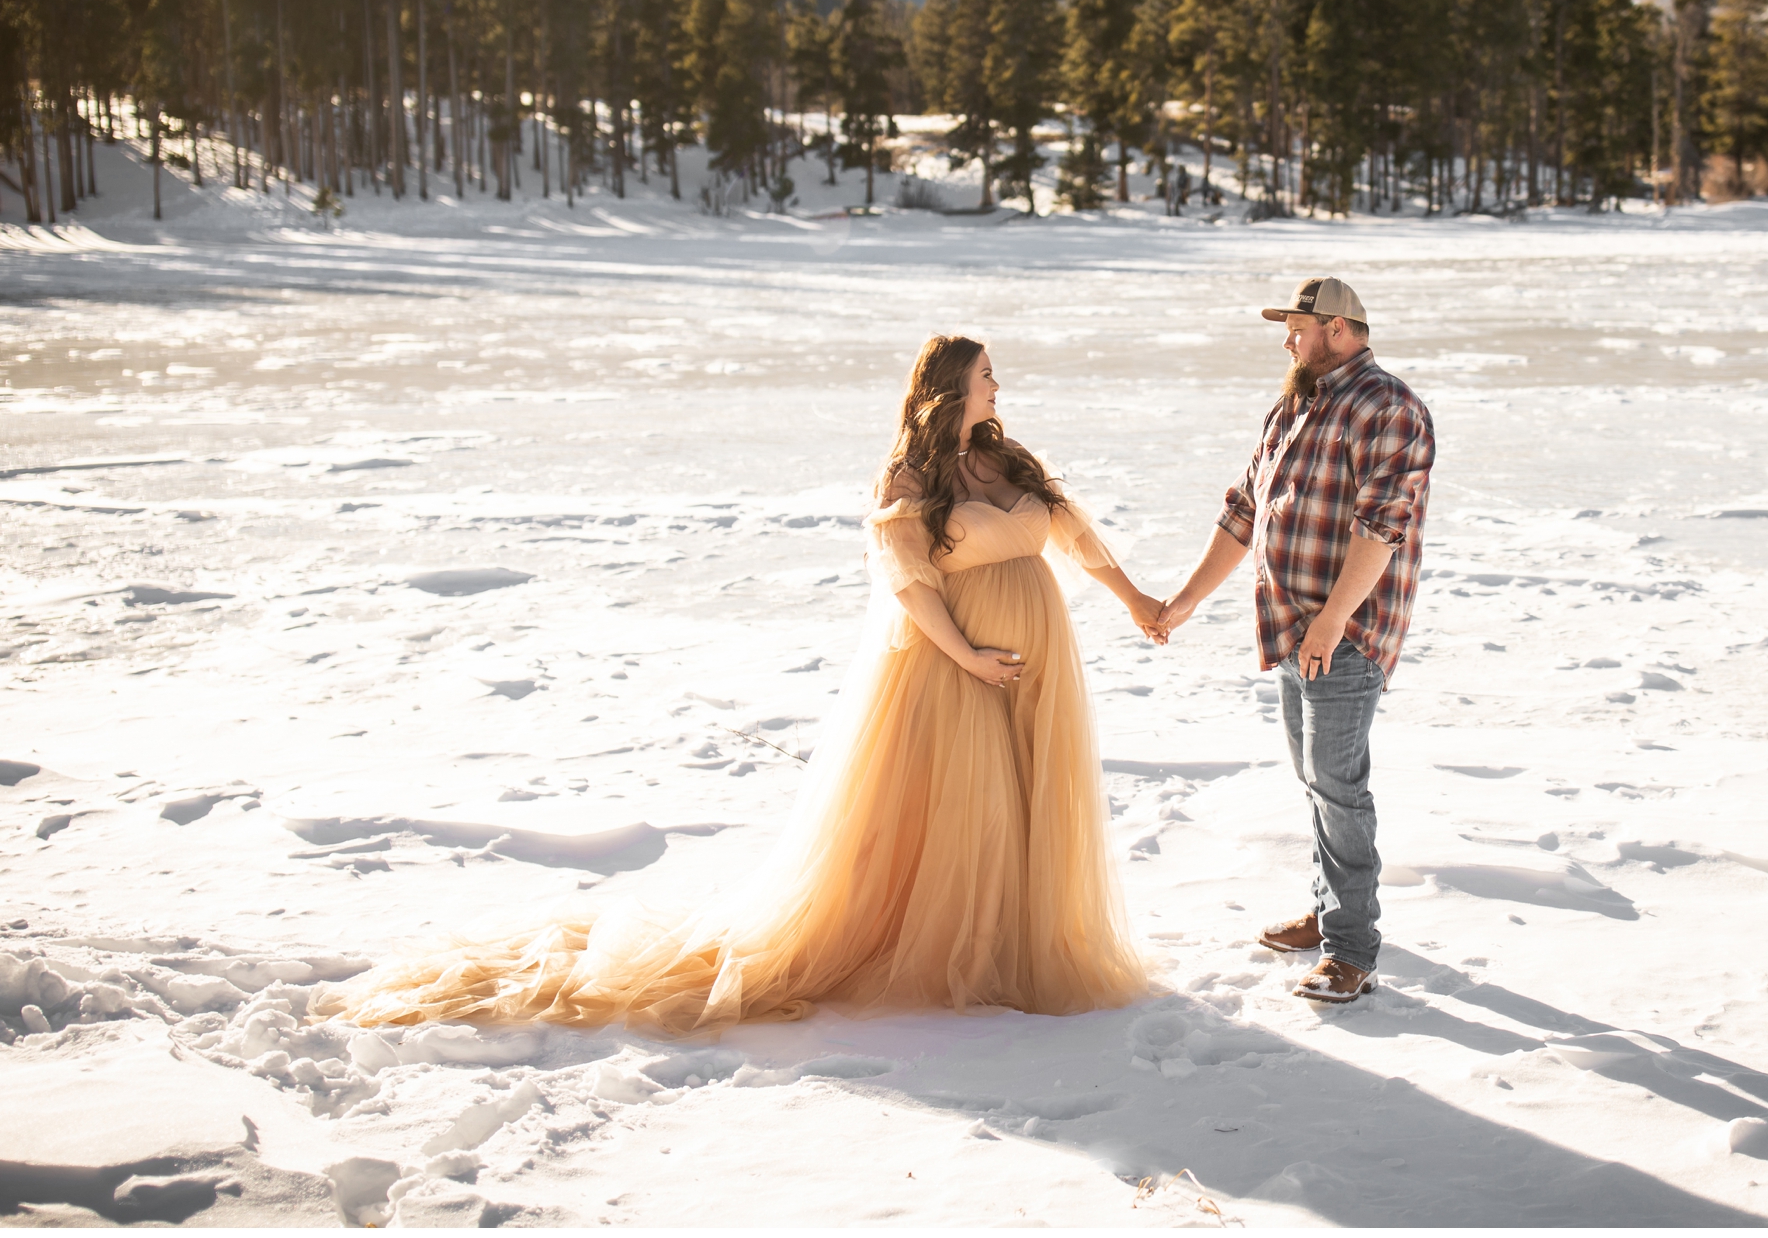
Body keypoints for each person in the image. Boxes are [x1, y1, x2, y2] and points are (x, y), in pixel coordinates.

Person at [323, 335, 1160, 1033]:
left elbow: (1076, 535)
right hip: (957, 665)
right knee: (971, 813)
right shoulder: (908, 479)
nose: (998, 386)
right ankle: (966, 957)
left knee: (1028, 802)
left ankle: (1015, 946)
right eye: (985, 376)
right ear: (951, 388)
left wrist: (1137, 602)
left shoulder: (1008, 457)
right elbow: (908, 586)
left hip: (1040, 663)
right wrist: (969, 657)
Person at [1148, 278, 1434, 1004]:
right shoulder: (1293, 408)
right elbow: (1244, 511)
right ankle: (1328, 910)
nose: (1288, 340)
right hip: (1290, 628)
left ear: (1339, 329)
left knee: (1339, 788)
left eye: (1298, 327)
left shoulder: (1390, 408)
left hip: (1344, 631)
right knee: (1316, 782)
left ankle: (1351, 950)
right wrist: (1182, 603)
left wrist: (1333, 621)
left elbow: (1381, 526)